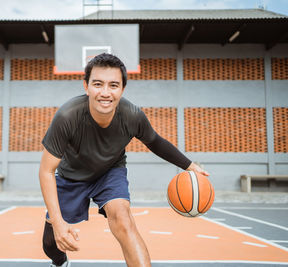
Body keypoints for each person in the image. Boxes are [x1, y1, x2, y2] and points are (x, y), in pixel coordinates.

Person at [39, 53, 209, 267]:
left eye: (113, 85)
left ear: (122, 89)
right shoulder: (67, 116)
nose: (105, 93)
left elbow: (155, 141)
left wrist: (191, 166)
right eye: (98, 84)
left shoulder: (132, 116)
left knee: (123, 220)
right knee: (50, 243)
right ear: (86, 86)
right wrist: (58, 221)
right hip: (71, 176)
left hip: (110, 172)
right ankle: (60, 262)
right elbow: (46, 171)